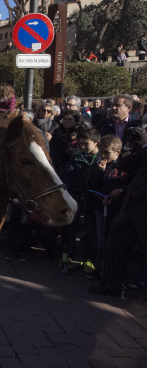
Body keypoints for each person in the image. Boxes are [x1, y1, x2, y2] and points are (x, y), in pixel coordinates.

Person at [89, 126, 147, 297]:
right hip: (132, 204)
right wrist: (130, 146)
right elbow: (126, 165)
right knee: (115, 243)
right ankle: (111, 285)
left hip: (143, 206)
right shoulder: (140, 151)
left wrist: (144, 144)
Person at [60, 128, 102, 273]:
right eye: (80, 144)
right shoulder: (77, 157)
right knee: (71, 228)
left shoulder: (101, 159)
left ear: (97, 143)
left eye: (86, 144)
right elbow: (67, 176)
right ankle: (69, 256)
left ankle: (89, 259)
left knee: (91, 232)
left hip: (93, 201)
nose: (82, 147)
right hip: (76, 198)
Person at [86, 135, 127, 279]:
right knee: (100, 239)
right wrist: (100, 171)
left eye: (107, 153)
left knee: (113, 239)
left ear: (117, 152)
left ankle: (111, 271)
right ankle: (99, 267)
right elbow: (93, 186)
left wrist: (120, 191)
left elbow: (127, 184)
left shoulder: (124, 166)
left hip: (116, 209)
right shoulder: (102, 165)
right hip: (101, 207)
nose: (104, 156)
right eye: (102, 152)